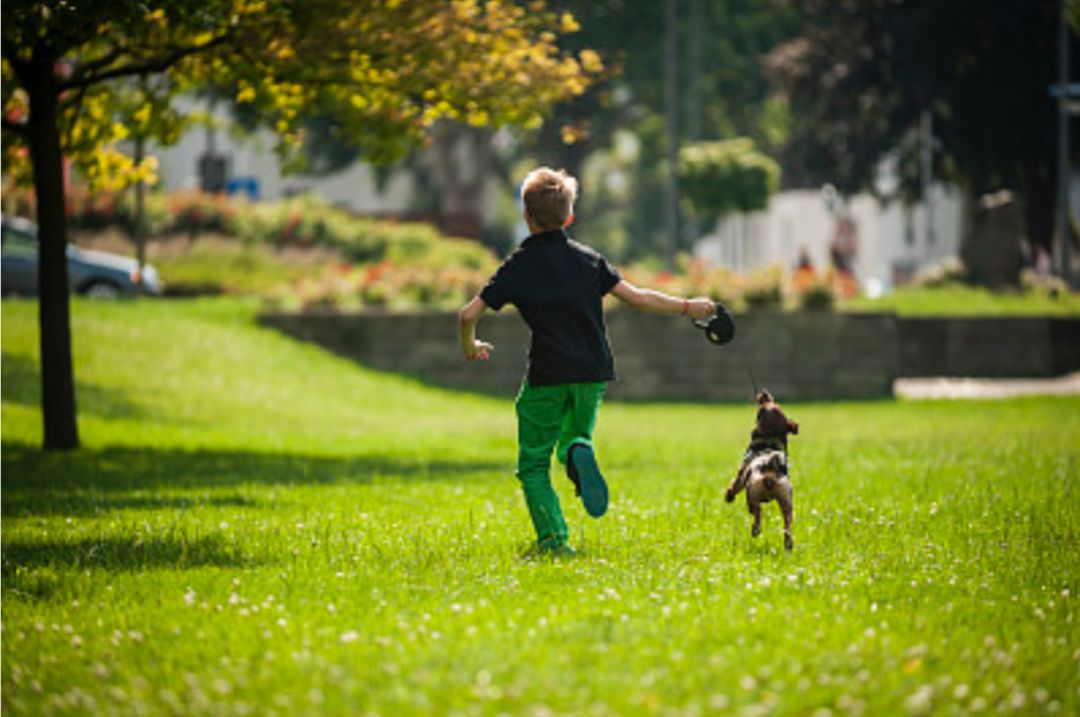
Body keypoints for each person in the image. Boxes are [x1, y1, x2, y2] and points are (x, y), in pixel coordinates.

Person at [457, 167, 715, 556]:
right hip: (593, 372)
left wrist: (470, 344)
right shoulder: (588, 260)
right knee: (575, 440)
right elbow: (638, 297)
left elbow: (467, 314)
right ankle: (578, 446)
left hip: (547, 374)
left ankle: (554, 540)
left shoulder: (517, 266)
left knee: (533, 465)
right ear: (570, 216)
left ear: (526, 216)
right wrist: (688, 306)